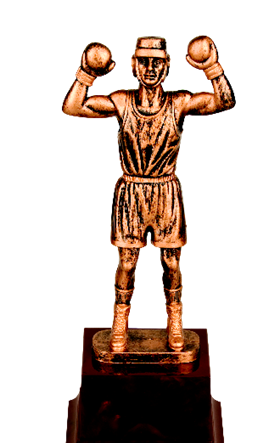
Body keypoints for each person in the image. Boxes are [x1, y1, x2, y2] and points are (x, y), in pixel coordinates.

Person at [63, 37, 235, 352]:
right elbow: (73, 106)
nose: (151, 68)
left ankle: (175, 323)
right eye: (144, 61)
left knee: (171, 262)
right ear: (134, 66)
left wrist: (212, 67)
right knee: (127, 263)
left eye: (157, 62)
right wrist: (86, 73)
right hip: (132, 190)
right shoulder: (122, 101)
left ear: (167, 67)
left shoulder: (178, 103)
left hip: (165, 190)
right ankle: (119, 325)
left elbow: (224, 101)